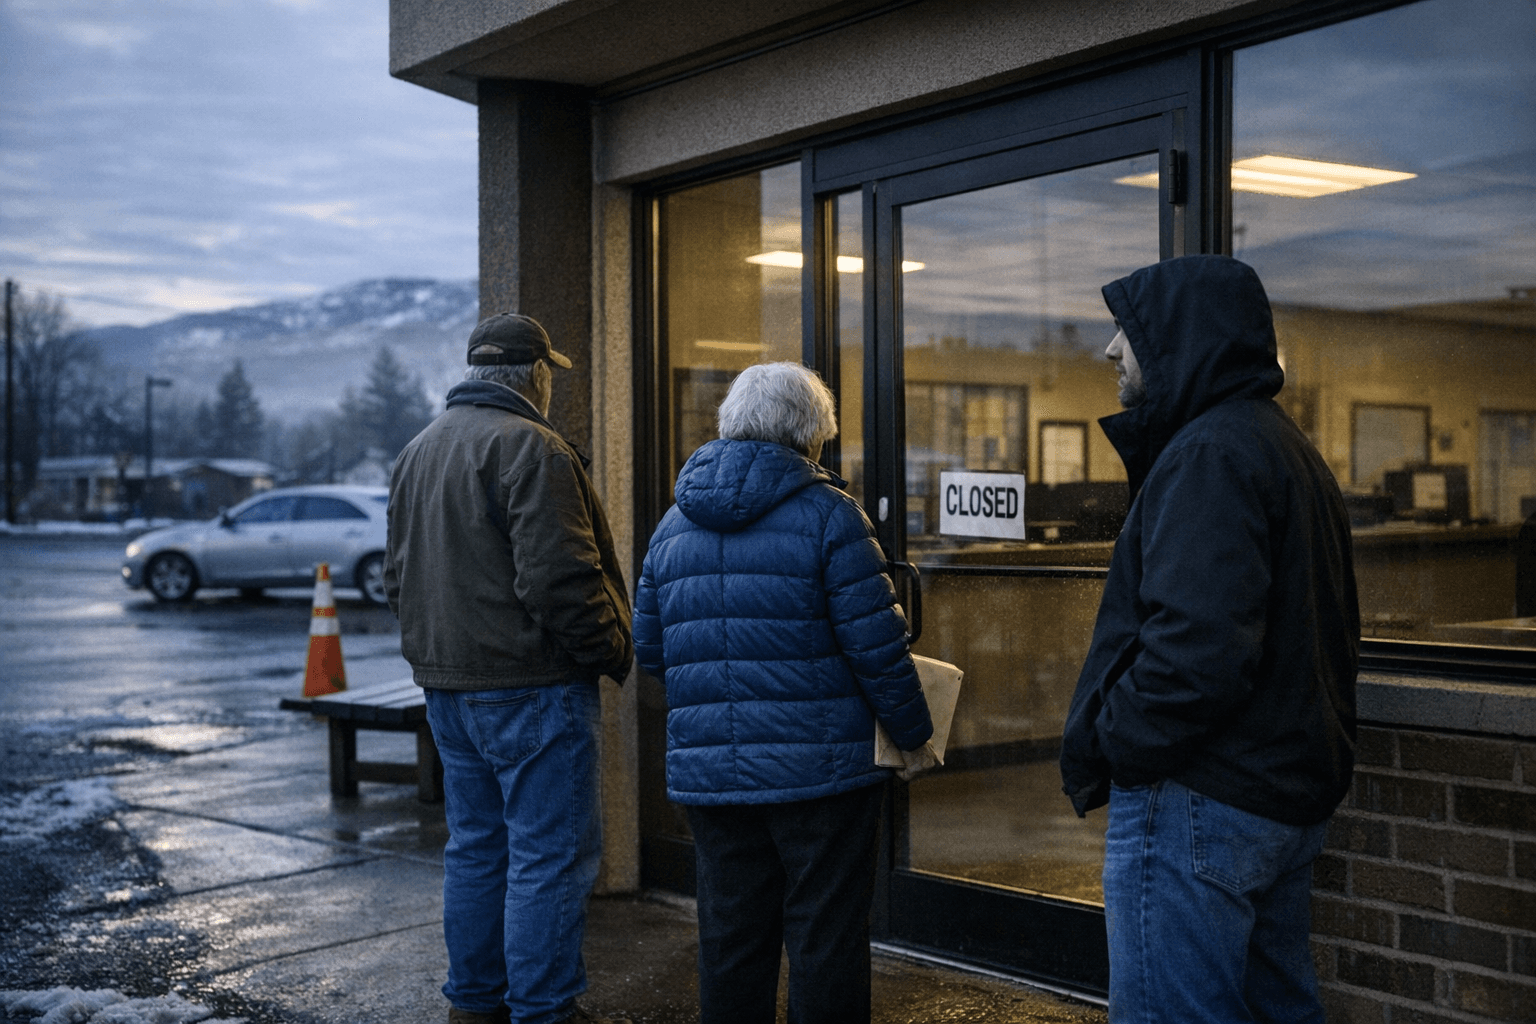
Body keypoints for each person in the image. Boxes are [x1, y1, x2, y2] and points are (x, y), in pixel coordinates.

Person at [1059, 256, 1360, 1024]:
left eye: (1124, 330)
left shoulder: (1209, 454)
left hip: (1200, 795)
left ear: (1176, 340)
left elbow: (1196, 652)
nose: (1109, 350)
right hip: (1274, 793)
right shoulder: (1281, 447)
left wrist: (1118, 742)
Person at [633, 361, 939, 1024]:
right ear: (811, 435)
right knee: (825, 938)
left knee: (731, 938)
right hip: (822, 777)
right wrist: (915, 735)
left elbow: (652, 651)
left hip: (711, 777)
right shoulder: (831, 516)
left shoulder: (673, 526)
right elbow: (878, 648)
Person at [384, 312, 633, 1024]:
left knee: (477, 852)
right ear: (538, 374)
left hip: (449, 689)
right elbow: (561, 581)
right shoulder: (534, 447)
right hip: (532, 688)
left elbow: (395, 579)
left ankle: (475, 1006)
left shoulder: (418, 450)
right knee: (548, 858)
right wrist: (612, 649)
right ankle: (545, 1010)